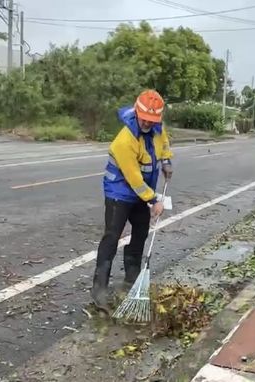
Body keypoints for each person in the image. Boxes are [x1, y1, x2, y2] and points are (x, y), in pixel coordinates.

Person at [91, 89, 173, 313]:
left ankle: (132, 275)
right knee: (112, 235)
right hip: (120, 190)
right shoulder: (124, 140)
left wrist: (166, 161)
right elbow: (134, 178)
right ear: (137, 112)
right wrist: (154, 200)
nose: (148, 123)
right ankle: (99, 288)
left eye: (153, 120)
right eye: (145, 119)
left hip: (142, 191)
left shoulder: (157, 127)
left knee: (141, 231)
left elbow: (163, 143)